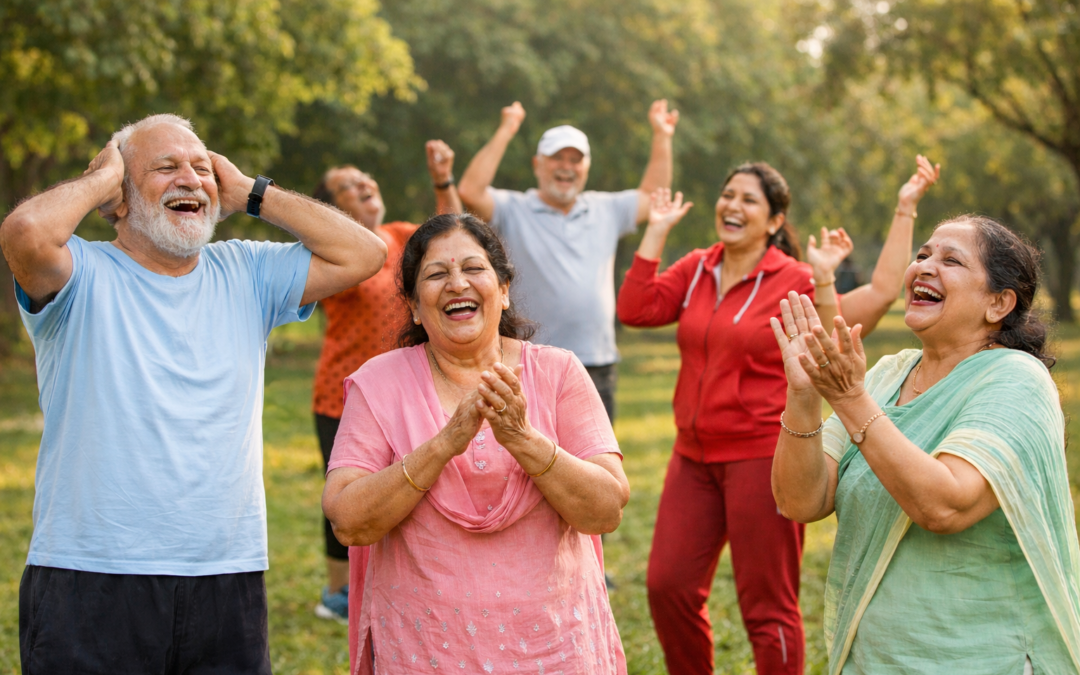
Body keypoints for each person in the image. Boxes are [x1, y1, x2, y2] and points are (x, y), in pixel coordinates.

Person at [0, 113, 387, 673]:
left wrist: (252, 193)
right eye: (165, 167)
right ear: (119, 196)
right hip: (90, 572)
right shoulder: (80, 271)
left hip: (226, 574)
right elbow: (24, 232)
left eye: (202, 168)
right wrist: (100, 180)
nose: (190, 178)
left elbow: (365, 253)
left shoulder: (246, 270)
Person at [615, 157, 939, 675]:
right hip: (692, 457)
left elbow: (875, 299)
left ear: (774, 221)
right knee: (667, 587)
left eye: (749, 199)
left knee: (767, 607)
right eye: (728, 194)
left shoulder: (793, 279)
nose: (733, 205)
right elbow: (636, 309)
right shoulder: (698, 267)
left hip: (761, 458)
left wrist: (902, 211)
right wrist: (655, 231)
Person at [322, 213, 631, 674]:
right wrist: (444, 444)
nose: (457, 283)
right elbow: (347, 521)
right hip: (425, 652)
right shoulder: (379, 383)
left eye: (473, 268)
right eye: (436, 274)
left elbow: (605, 511)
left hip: (554, 648)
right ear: (413, 305)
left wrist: (523, 440)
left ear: (503, 290)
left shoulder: (559, 372)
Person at [771, 216, 1080, 674]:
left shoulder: (1017, 380)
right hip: (874, 659)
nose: (925, 267)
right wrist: (802, 396)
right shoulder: (888, 374)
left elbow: (946, 506)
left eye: (951, 260)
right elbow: (800, 501)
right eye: (922, 255)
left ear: (998, 303)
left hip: (985, 659)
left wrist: (851, 400)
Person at [309, 140, 462, 623]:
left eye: (364, 178)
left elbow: (455, 234)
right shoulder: (333, 255)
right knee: (348, 491)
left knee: (407, 487)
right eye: (347, 186)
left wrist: (442, 180)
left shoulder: (400, 236)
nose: (363, 185)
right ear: (332, 209)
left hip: (408, 393)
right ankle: (339, 592)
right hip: (344, 396)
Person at [457, 99, 678, 422]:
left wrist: (662, 136)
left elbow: (653, 196)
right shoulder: (514, 208)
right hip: (528, 361)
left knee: (595, 453)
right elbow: (470, 190)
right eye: (557, 158)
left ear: (586, 168)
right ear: (537, 164)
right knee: (524, 449)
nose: (567, 166)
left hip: (596, 363)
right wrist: (507, 129)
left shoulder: (605, 209)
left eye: (576, 159)